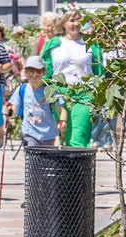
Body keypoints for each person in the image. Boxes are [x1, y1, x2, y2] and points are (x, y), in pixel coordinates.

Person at [35, 10, 104, 148]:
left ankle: (79, 167)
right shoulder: (54, 43)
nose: (76, 24)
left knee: (80, 133)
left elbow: (99, 70)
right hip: (59, 93)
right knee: (63, 133)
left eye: (79, 20)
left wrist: (98, 92)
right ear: (64, 23)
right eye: (72, 20)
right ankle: (65, 167)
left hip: (84, 93)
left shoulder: (90, 43)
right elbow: (45, 68)